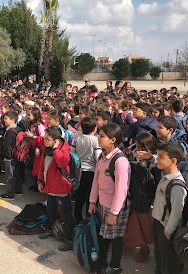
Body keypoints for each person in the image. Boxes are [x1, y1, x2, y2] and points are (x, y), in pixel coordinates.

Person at [88, 124, 131, 274]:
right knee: (103, 236)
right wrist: (93, 201)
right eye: (99, 135)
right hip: (102, 204)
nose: (98, 138)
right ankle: (102, 263)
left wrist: (114, 212)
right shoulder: (102, 156)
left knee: (116, 238)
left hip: (115, 207)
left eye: (102, 136)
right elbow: (96, 180)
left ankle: (115, 266)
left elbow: (121, 189)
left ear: (113, 140)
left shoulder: (120, 161)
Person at [35, 126, 75, 251]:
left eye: (48, 139)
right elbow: (42, 166)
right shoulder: (46, 150)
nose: (44, 141)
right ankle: (51, 229)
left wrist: (57, 149)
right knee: (51, 210)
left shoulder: (63, 151)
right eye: (44, 138)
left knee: (66, 214)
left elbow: (62, 163)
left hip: (61, 188)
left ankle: (70, 239)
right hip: (50, 187)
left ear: (56, 140)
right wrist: (40, 180)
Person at [151, 142, 187, 274]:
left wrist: (168, 231)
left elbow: (177, 212)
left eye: (161, 157)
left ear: (173, 161)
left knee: (168, 262)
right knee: (159, 257)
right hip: (158, 223)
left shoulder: (177, 185)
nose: (157, 159)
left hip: (166, 228)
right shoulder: (165, 176)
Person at [123, 132, 156, 263]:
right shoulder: (132, 152)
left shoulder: (154, 159)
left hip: (145, 197)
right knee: (131, 222)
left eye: (140, 147)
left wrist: (149, 159)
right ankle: (130, 242)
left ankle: (144, 247)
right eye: (136, 146)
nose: (137, 149)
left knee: (143, 223)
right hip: (131, 192)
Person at [71, 116, 101, 224]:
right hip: (90, 172)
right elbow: (98, 157)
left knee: (79, 196)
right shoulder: (95, 140)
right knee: (90, 196)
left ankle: (77, 218)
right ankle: (89, 219)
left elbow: (72, 153)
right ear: (95, 128)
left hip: (79, 171)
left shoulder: (76, 138)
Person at [0, 110, 22, 200]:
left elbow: (6, 146)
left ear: (12, 120)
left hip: (9, 157)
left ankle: (10, 193)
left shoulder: (10, 132)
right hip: (15, 155)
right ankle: (18, 190)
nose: (4, 120)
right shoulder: (17, 129)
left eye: (6, 119)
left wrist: (0, 139)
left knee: (9, 175)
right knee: (15, 174)